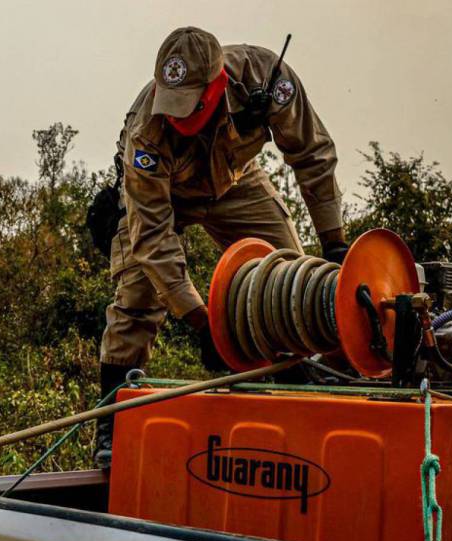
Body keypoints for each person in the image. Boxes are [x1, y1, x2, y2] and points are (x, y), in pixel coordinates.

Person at [93, 27, 347, 466]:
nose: (176, 117)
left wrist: (335, 242)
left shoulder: (264, 76)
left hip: (235, 181)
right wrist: (199, 320)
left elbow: (313, 155)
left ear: (217, 86)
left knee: (289, 280)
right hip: (165, 193)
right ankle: (110, 426)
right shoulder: (147, 133)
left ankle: (298, 399)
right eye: (170, 102)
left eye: (190, 103)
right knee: (137, 294)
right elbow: (152, 235)